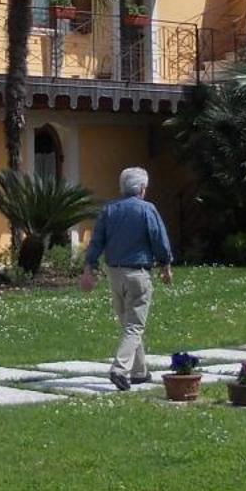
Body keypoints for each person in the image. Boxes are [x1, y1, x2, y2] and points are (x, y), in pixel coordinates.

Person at [80, 166, 174, 390]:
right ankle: (119, 369)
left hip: (115, 273)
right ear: (142, 188)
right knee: (134, 326)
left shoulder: (109, 210)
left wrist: (89, 267)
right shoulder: (147, 210)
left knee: (128, 323)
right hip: (138, 273)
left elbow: (97, 242)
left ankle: (139, 372)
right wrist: (166, 266)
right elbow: (159, 239)